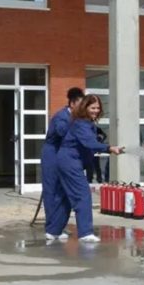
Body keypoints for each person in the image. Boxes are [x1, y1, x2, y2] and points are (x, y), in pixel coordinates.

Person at [56, 95, 124, 242]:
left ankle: (54, 231)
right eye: (92, 108)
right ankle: (85, 233)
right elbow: (89, 143)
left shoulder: (86, 123)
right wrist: (109, 148)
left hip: (69, 160)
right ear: (85, 107)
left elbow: (90, 143)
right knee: (83, 195)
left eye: (98, 108)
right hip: (70, 161)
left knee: (66, 198)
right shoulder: (81, 124)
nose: (96, 111)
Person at [40, 87, 84, 241]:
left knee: (62, 191)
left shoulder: (74, 117)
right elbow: (62, 132)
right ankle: (51, 228)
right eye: (80, 104)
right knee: (51, 191)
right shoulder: (62, 116)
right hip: (52, 153)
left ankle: (57, 227)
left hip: (62, 153)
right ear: (72, 103)